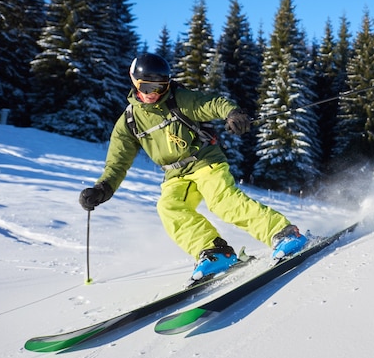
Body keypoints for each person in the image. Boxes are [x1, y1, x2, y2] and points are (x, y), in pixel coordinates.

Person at [79, 53, 307, 280]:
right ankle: (216, 252)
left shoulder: (178, 98)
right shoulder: (129, 122)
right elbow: (117, 162)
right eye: (147, 88)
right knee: (169, 207)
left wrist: (231, 113)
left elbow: (210, 103)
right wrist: (103, 189)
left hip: (205, 161)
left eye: (160, 87)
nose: (154, 94)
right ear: (135, 83)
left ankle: (284, 234)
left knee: (223, 202)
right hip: (175, 175)